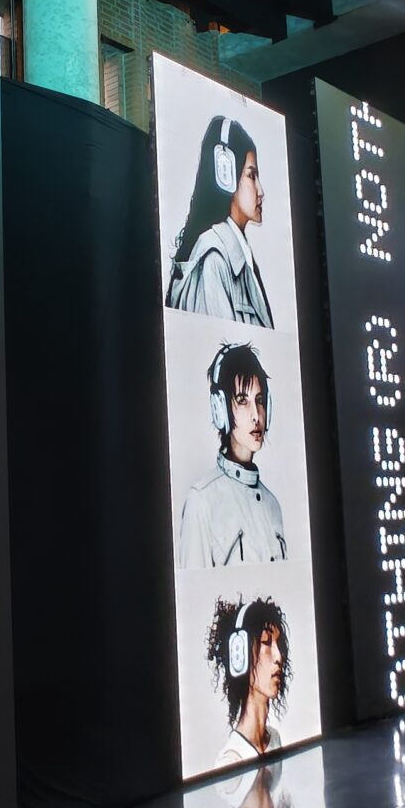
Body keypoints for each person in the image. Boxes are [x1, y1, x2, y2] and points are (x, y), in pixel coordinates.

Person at [177, 342, 288, 567]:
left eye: (259, 401)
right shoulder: (201, 502)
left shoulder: (273, 505)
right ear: (220, 409)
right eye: (242, 401)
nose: (256, 415)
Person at [165, 115, 274, 326]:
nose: (261, 191)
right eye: (251, 176)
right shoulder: (213, 260)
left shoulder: (240, 259)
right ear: (226, 174)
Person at [207, 597, 293, 770]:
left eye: (278, 644)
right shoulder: (230, 762)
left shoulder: (274, 739)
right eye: (266, 642)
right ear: (240, 655)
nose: (278, 656)